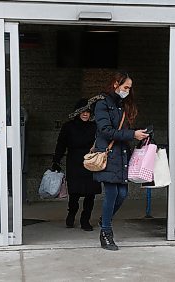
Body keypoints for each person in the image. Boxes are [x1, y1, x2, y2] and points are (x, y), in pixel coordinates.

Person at [93, 71, 149, 251]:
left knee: (123, 194)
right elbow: (106, 131)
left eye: (130, 88)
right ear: (116, 84)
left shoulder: (122, 105)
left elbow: (123, 131)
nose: (128, 91)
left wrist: (138, 134)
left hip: (123, 155)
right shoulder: (102, 103)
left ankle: (105, 219)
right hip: (109, 155)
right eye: (126, 87)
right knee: (111, 194)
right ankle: (106, 233)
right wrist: (132, 134)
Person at [52, 98, 102, 231]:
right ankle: (71, 214)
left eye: (88, 112)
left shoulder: (94, 126)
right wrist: (56, 160)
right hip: (74, 162)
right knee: (74, 192)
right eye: (83, 112)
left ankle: (85, 220)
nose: (86, 114)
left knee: (90, 193)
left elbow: (102, 142)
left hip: (91, 162)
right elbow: (61, 144)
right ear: (77, 112)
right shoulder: (68, 126)